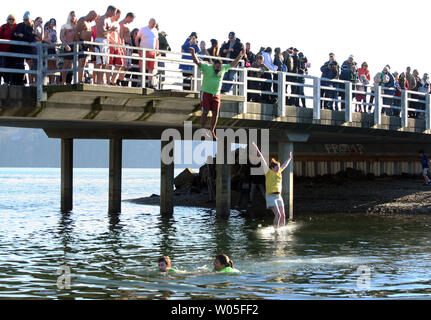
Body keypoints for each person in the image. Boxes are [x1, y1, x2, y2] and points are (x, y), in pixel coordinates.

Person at [189, 46, 246, 140]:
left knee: (215, 113)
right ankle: (202, 130)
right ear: (213, 65)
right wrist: (193, 53)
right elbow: (197, 62)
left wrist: (240, 56)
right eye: (216, 67)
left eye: (219, 68)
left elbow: (232, 64)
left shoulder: (223, 68)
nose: (218, 69)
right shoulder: (207, 67)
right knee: (206, 111)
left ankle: (212, 131)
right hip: (206, 93)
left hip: (216, 94)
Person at [252, 141, 292, 229]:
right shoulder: (268, 172)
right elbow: (262, 159)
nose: (279, 168)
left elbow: (284, 165)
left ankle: (282, 230)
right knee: (277, 214)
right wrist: (257, 149)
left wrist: (289, 158)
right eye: (277, 167)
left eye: (279, 167)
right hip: (270, 196)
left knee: (283, 215)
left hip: (278, 196)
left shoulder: (279, 172)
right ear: (272, 168)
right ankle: (276, 231)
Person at [10, 12, 35, 85]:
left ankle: (31, 83)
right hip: (19, 49)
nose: (25, 21)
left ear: (29, 19)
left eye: (26, 19)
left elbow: (31, 39)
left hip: (27, 50)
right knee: (19, 65)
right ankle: (20, 81)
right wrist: (17, 34)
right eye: (24, 19)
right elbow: (13, 34)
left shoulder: (31, 27)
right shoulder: (20, 25)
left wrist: (23, 36)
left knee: (30, 66)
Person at [95, 5, 118, 85]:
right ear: (109, 10)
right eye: (113, 13)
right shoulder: (102, 19)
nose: (114, 15)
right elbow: (102, 32)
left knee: (105, 62)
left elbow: (107, 33)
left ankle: (102, 79)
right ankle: (99, 80)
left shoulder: (108, 20)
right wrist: (111, 30)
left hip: (106, 42)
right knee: (99, 62)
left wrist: (114, 41)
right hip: (100, 41)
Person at [75, 11, 98, 83]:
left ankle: (81, 79)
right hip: (81, 43)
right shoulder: (82, 20)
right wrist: (79, 43)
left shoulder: (89, 24)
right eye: (93, 18)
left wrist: (90, 46)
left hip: (87, 44)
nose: (93, 20)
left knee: (84, 62)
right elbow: (76, 32)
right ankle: (79, 80)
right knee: (81, 61)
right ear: (90, 15)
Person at [136, 18, 159, 88]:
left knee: (151, 68)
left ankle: (150, 83)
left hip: (152, 52)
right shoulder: (143, 29)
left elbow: (157, 40)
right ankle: (140, 83)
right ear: (149, 22)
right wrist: (138, 48)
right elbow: (137, 38)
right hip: (144, 51)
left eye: (154, 24)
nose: (153, 25)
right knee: (142, 67)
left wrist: (157, 49)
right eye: (152, 24)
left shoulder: (155, 30)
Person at [59, 11, 77, 85]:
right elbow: (61, 36)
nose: (73, 17)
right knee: (66, 64)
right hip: (68, 45)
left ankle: (71, 81)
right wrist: (65, 45)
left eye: (74, 16)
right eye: (71, 15)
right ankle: (62, 81)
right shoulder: (65, 26)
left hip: (75, 46)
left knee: (73, 65)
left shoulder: (76, 26)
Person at [0, 14, 17, 85]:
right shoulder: (3, 27)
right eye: (10, 19)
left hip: (14, 51)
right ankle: (6, 81)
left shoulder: (17, 27)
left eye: (13, 19)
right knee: (4, 66)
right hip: (4, 50)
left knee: (13, 66)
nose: (11, 21)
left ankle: (13, 81)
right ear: (7, 20)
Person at [44, 18, 57, 84]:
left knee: (54, 65)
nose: (52, 23)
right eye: (51, 22)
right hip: (48, 48)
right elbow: (44, 38)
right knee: (50, 64)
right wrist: (50, 43)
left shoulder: (55, 31)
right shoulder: (47, 30)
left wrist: (55, 43)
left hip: (53, 48)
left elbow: (56, 40)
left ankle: (53, 81)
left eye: (54, 22)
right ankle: (50, 81)